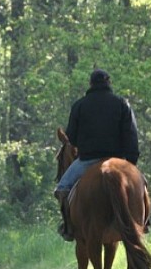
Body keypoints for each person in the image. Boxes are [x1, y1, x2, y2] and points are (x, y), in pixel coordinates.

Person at [54, 69, 140, 241]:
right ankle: (143, 221)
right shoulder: (122, 104)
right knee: (141, 185)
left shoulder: (80, 105)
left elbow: (71, 137)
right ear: (109, 82)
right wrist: (130, 164)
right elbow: (131, 135)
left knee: (62, 188)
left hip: (88, 160)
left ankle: (68, 227)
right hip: (118, 160)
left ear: (90, 84)